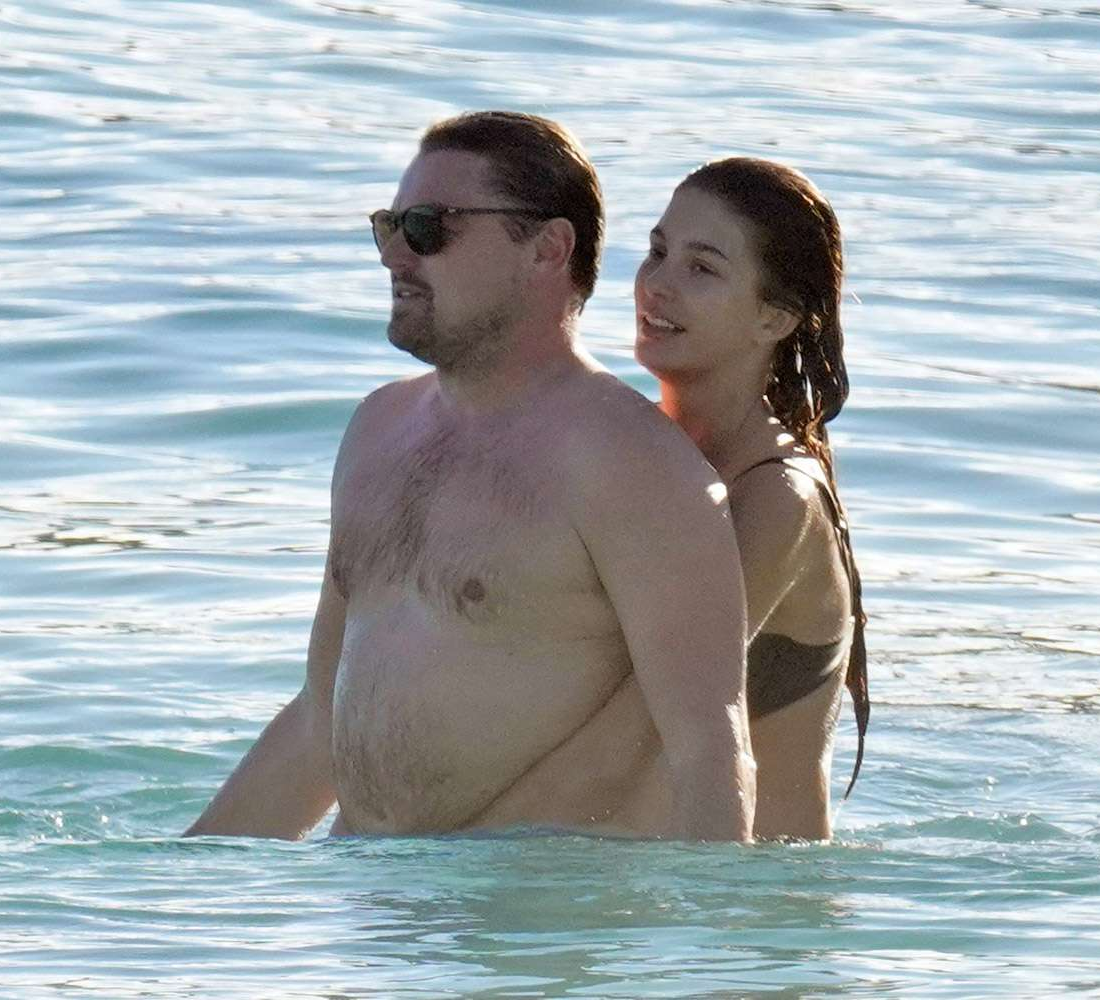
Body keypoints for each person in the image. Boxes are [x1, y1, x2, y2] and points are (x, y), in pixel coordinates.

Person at [184, 112, 757, 843]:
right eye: (389, 227)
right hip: (366, 896)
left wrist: (718, 918)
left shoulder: (631, 464)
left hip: (529, 907)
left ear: (547, 248)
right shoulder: (377, 430)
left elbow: (709, 748)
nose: (396, 255)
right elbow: (318, 720)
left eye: (430, 228)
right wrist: (174, 890)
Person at [475, 157, 868, 841]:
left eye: (702, 268)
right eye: (657, 252)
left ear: (774, 318)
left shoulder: (778, 499)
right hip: (631, 880)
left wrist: (449, 851)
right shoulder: (637, 461)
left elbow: (634, 735)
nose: (657, 285)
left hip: (752, 897)